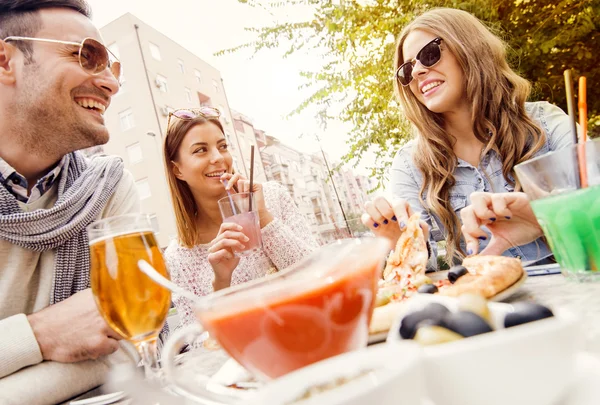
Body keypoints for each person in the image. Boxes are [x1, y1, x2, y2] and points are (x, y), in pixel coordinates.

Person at [0, 1, 142, 404]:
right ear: (4, 61)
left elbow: (138, 344)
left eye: (112, 69)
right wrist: (41, 335)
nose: (111, 85)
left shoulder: (109, 187)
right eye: (86, 56)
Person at [362, 8, 574, 268]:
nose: (417, 72)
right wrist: (400, 243)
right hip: (483, 303)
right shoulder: (410, 164)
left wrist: (544, 216)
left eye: (429, 55)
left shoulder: (546, 124)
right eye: (407, 70)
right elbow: (421, 267)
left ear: (469, 48)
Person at [162, 107, 318, 328]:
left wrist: (263, 217)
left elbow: (318, 274)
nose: (218, 158)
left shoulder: (272, 196)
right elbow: (200, 344)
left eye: (222, 146)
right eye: (200, 150)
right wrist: (221, 284)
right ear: (177, 170)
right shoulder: (180, 256)